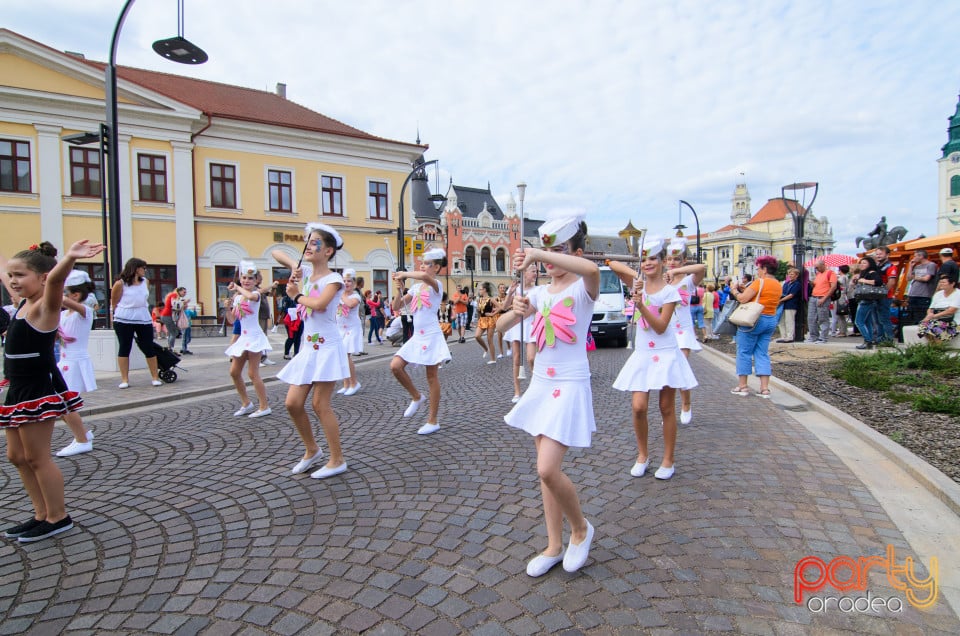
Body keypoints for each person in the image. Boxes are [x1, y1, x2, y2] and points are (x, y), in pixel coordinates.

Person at [497, 215, 599, 577]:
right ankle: (554, 545)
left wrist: (540, 253)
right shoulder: (537, 293)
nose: (551, 260)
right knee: (545, 475)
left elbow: (589, 268)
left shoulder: (584, 289)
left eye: (559, 252)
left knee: (547, 468)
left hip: (570, 385)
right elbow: (500, 326)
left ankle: (581, 529)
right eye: (547, 252)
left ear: (574, 251)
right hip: (541, 383)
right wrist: (515, 311)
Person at [1, 239, 105, 543]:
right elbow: (6, 272)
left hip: (37, 388)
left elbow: (57, 280)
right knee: (16, 456)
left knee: (36, 457)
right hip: (16, 388)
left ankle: (58, 516)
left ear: (42, 279)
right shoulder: (21, 302)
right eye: (12, 275)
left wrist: (71, 257)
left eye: (20, 275)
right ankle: (40, 513)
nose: (14, 281)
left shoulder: (45, 306)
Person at [609, 236, 698, 482]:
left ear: (662, 262)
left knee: (666, 407)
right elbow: (612, 263)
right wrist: (635, 277)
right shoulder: (638, 284)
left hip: (666, 352)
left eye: (653, 259)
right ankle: (642, 455)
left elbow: (659, 326)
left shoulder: (670, 292)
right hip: (643, 353)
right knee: (638, 407)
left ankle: (668, 459)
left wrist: (640, 304)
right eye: (644, 259)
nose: (648, 263)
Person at [273, 223, 350, 478]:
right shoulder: (305, 273)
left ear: (328, 251)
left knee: (320, 404)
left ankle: (337, 459)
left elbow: (318, 304)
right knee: (292, 403)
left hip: (327, 346)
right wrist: (294, 268)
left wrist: (296, 296)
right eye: (307, 241)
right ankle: (311, 450)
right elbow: (276, 253)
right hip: (308, 347)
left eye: (315, 242)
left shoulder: (334, 279)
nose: (308, 245)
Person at [390, 248, 452, 435]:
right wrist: (399, 289)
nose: (423, 266)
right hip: (417, 336)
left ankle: (432, 420)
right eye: (422, 264)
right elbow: (396, 306)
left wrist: (405, 273)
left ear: (437, 268)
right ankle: (417, 397)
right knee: (395, 366)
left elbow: (424, 278)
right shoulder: (416, 288)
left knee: (432, 377)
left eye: (427, 264)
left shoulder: (437, 285)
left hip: (432, 335)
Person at [55, 270, 98, 457]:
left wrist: (48, 287)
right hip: (63, 362)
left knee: (65, 404)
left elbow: (62, 301)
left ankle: (82, 440)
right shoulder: (63, 315)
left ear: (76, 295)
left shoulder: (85, 312)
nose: (62, 296)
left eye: (65, 292)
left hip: (75, 363)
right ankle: (82, 433)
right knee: (58, 405)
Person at [663, 237, 705, 425]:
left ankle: (686, 403)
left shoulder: (688, 281)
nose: (672, 262)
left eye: (677, 259)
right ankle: (669, 410)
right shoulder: (662, 282)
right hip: (666, 330)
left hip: (683, 331)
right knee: (667, 373)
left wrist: (677, 271)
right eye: (670, 259)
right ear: (664, 261)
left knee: (680, 365)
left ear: (683, 261)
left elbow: (701, 269)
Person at [224, 261, 272, 418]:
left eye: (250, 278)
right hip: (243, 338)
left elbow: (251, 296)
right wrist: (226, 307)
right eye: (244, 277)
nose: (246, 281)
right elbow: (232, 320)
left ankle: (264, 406)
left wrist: (237, 287)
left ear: (256, 280)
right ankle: (246, 403)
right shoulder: (238, 298)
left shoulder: (256, 294)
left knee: (253, 373)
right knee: (234, 372)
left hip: (255, 337)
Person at [730, 255, 783, 398]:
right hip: (770, 319)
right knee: (762, 353)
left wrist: (734, 290)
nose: (757, 271)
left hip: (754, 320)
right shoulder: (778, 284)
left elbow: (742, 299)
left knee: (744, 352)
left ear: (764, 269)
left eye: (758, 268)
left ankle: (742, 386)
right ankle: (764, 389)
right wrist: (744, 289)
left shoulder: (759, 282)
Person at [111, 258, 163, 388]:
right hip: (124, 318)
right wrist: (114, 316)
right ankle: (124, 379)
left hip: (142, 317)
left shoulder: (145, 282)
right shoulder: (120, 283)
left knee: (148, 346)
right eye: (143, 268)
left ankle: (155, 377)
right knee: (125, 346)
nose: (145, 270)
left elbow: (144, 298)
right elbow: (114, 302)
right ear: (135, 268)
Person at [503, 265, 539, 403]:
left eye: (536, 271)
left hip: (531, 324)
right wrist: (510, 293)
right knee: (516, 358)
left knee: (531, 358)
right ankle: (517, 392)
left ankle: (536, 386)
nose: (535, 274)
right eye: (533, 271)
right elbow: (505, 307)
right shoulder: (516, 289)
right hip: (517, 323)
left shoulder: (537, 290)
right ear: (524, 272)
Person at [335, 268, 363, 396]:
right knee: (341, 356)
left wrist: (340, 294)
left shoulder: (355, 296)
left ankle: (354, 383)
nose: (346, 283)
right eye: (344, 281)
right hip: (340, 329)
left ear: (354, 284)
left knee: (346, 356)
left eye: (349, 281)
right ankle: (346, 384)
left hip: (352, 328)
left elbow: (350, 304)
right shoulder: (339, 295)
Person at [852, 256, 884, 350]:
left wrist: (863, 280)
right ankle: (868, 341)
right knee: (867, 322)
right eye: (861, 263)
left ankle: (868, 340)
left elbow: (878, 282)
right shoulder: (864, 273)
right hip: (866, 299)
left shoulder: (872, 272)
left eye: (864, 263)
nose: (862, 265)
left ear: (870, 264)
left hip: (867, 299)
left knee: (859, 321)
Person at [916, 274, 960, 344]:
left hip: (954, 322)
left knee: (935, 326)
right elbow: (930, 308)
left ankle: (937, 347)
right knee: (924, 325)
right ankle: (934, 347)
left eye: (943, 282)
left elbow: (951, 311)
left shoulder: (958, 294)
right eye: (940, 282)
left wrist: (934, 316)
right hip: (937, 319)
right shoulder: (938, 294)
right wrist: (929, 315)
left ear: (952, 284)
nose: (941, 284)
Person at [804, 259, 837, 344]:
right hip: (814, 296)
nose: (816, 269)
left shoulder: (830, 273)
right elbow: (816, 284)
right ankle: (813, 336)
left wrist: (824, 298)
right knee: (811, 318)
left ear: (823, 265)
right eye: (815, 267)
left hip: (822, 297)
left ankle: (823, 337)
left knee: (823, 318)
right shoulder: (818, 274)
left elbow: (833, 287)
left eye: (817, 267)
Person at [873, 246, 898, 344]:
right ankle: (880, 338)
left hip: (885, 296)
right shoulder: (877, 266)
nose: (878, 256)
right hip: (876, 296)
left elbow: (891, 282)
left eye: (880, 254)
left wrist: (884, 292)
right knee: (878, 320)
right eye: (877, 254)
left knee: (884, 318)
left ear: (887, 255)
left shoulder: (890, 266)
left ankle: (889, 339)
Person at [905, 249, 937, 324]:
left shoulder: (931, 265)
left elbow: (926, 278)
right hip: (913, 294)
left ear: (921, 256)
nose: (914, 258)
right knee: (911, 316)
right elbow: (908, 278)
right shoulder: (917, 267)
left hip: (923, 295)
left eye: (915, 256)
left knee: (921, 315)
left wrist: (915, 277)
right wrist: (910, 266)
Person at [474, 282, 499, 363]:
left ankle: (493, 359)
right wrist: (478, 317)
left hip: (490, 320)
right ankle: (486, 349)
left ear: (485, 290)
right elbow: (478, 312)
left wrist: (493, 313)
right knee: (477, 336)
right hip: (482, 320)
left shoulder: (491, 299)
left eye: (481, 289)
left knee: (489, 339)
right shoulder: (479, 299)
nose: (480, 291)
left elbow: (501, 307)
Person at [832, 265, 852, 337]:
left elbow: (838, 284)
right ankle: (842, 330)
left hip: (840, 296)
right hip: (843, 296)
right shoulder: (846, 277)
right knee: (840, 315)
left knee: (840, 314)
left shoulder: (842, 277)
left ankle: (842, 331)